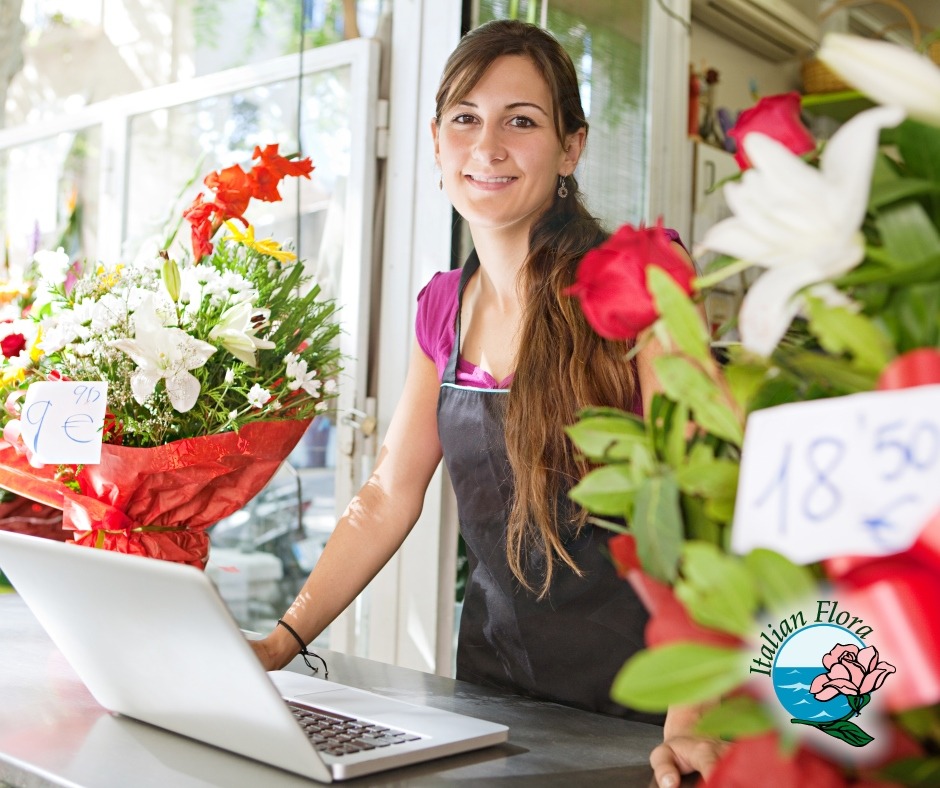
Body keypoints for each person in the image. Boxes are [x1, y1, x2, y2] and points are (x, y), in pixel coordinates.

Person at [250, 18, 723, 787]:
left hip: (645, 711)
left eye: (522, 121)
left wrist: (693, 709)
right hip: (492, 700)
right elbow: (386, 494)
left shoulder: (641, 276)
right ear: (437, 142)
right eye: (466, 119)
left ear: (572, 148)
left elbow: (706, 493)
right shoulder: (443, 307)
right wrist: (281, 638)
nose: (488, 145)